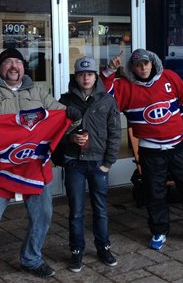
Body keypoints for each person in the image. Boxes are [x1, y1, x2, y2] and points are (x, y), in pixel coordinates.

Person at [0, 47, 78, 282]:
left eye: (17, 62)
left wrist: (72, 115)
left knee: (43, 216)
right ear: (0, 67)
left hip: (34, 167)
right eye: (8, 62)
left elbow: (59, 113)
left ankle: (31, 259)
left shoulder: (38, 91)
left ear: (23, 68)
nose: (13, 66)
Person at [101, 49, 183, 251]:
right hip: (150, 150)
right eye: (138, 65)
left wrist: (175, 128)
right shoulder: (125, 87)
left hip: (178, 146)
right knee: (155, 193)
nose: (143, 67)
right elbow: (105, 96)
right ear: (132, 68)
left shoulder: (170, 77)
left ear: (153, 63)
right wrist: (109, 70)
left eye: (146, 63)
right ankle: (159, 230)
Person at [58, 56, 121, 272]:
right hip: (74, 163)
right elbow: (55, 133)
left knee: (101, 209)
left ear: (96, 76)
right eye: (82, 74)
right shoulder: (65, 101)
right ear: (75, 77)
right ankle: (76, 251)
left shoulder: (107, 100)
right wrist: (70, 139)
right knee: (76, 210)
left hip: (98, 164)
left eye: (90, 74)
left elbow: (115, 133)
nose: (86, 78)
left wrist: (108, 162)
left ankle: (103, 246)